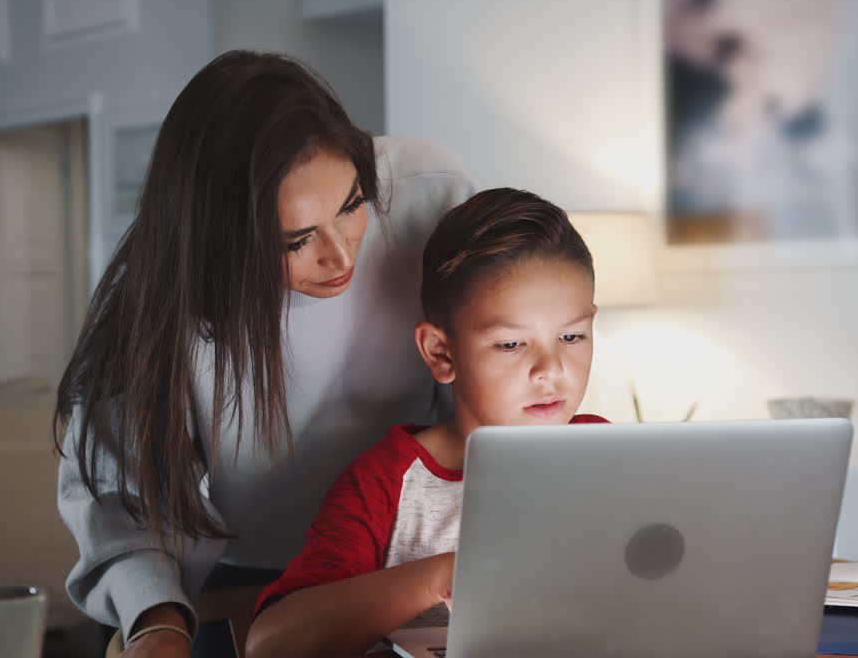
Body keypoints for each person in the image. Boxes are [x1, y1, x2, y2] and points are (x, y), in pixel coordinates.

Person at [54, 50, 473, 657]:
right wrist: (157, 623)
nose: (340, 256)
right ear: (218, 242)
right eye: (295, 240)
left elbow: (486, 385)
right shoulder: (158, 290)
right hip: (242, 587)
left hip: (412, 568)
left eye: (352, 206)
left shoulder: (430, 193)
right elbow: (117, 496)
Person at [244, 188, 608, 657]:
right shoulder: (385, 485)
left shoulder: (607, 455)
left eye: (572, 336)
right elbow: (270, 644)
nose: (551, 370)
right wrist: (446, 576)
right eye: (511, 344)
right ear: (441, 352)